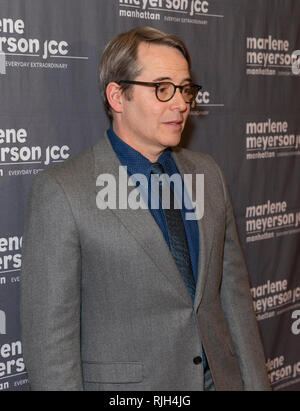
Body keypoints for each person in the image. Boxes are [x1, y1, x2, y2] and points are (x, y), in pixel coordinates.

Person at [20, 26, 271, 391]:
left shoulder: (208, 175)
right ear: (118, 96)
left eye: (185, 89)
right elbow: (50, 345)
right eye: (162, 88)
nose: (181, 103)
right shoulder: (62, 191)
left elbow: (234, 300)